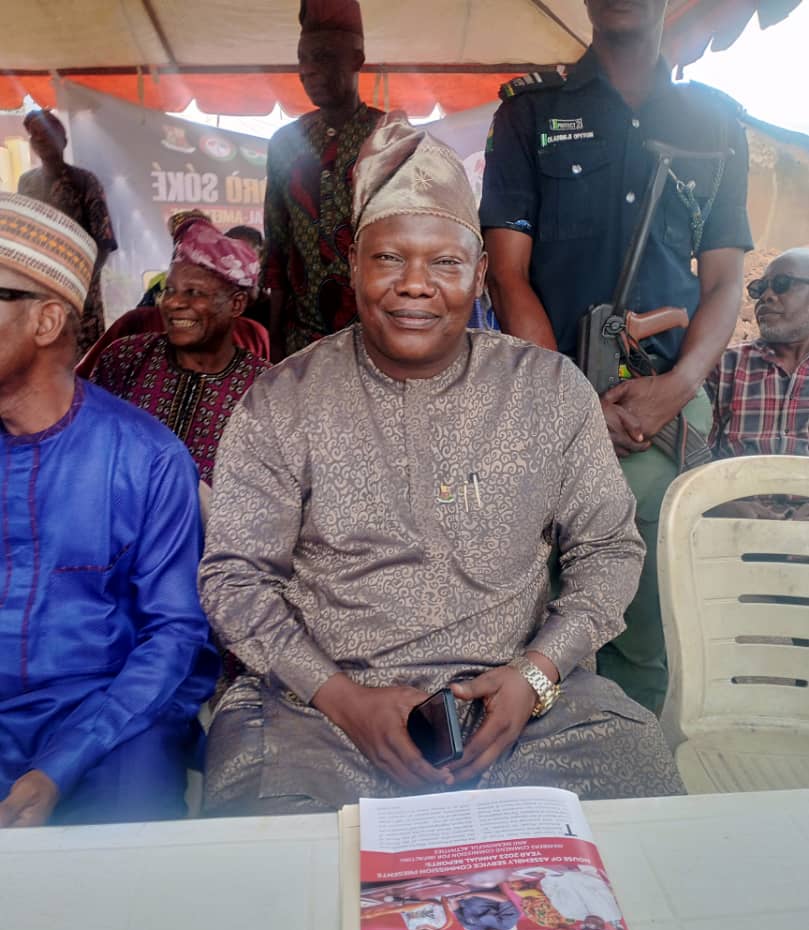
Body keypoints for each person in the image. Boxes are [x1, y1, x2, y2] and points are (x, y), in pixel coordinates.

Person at [198, 114, 684, 817]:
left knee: (642, 810)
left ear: (480, 275)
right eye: (389, 259)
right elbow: (235, 576)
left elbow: (607, 549)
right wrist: (341, 699)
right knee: (269, 846)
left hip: (526, 712)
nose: (415, 285)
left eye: (446, 263)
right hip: (321, 717)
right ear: (354, 266)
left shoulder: (548, 389)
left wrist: (537, 674)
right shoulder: (284, 399)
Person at [479, 0, 753, 716]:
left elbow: (723, 282)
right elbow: (506, 273)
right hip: (544, 404)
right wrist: (571, 402)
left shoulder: (716, 123)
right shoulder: (530, 111)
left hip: (660, 417)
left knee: (649, 633)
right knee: (534, 619)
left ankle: (637, 767)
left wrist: (680, 382)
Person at [0, 193, 218, 827]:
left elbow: (174, 634)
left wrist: (60, 764)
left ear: (46, 321)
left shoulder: (147, 457)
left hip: (110, 718)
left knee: (127, 839)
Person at [89, 218, 271, 485]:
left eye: (193, 292)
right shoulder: (125, 359)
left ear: (236, 304)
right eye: (169, 290)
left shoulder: (263, 389)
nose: (172, 303)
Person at [263, 0, 384, 361]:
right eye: (302, 59)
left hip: (377, 334)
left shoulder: (388, 135)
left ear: (357, 60)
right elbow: (276, 245)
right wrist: (275, 340)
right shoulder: (285, 143)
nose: (308, 70)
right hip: (302, 339)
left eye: (324, 57)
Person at [18, 109, 118, 355]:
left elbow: (103, 241)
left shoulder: (84, 181)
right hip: (41, 290)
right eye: (34, 135)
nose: (40, 139)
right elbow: (24, 237)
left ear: (62, 140)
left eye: (46, 133)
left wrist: (79, 284)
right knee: (44, 358)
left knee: (84, 361)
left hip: (81, 295)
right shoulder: (27, 183)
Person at [708, 247, 809, 460]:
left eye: (782, 284)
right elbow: (696, 456)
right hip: (734, 482)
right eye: (759, 289)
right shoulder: (723, 365)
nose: (766, 296)